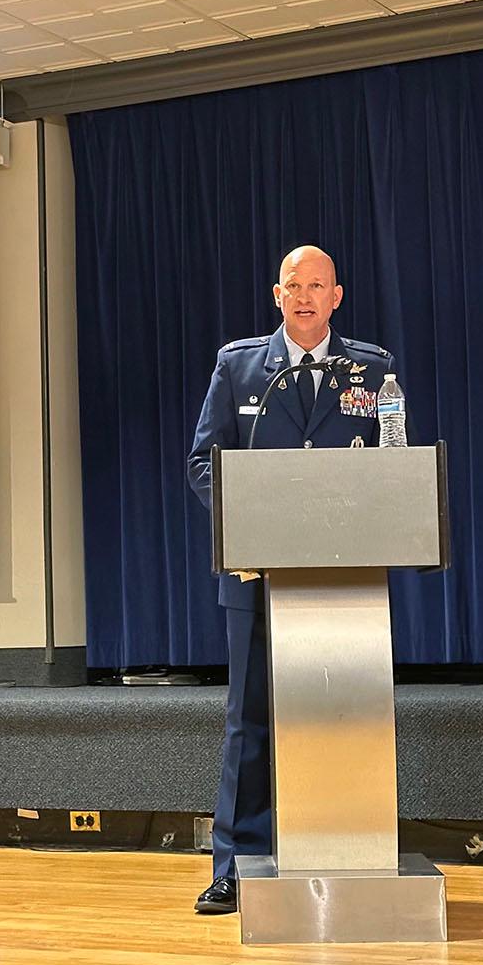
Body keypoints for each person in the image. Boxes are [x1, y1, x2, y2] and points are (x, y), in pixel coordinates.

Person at [185, 245, 393, 915]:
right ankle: (234, 868)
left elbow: (393, 464)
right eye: (293, 286)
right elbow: (203, 463)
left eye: (317, 286)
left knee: (345, 715)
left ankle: (349, 850)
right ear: (277, 295)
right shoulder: (239, 365)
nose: (305, 297)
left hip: (345, 583)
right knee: (248, 724)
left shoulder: (373, 368)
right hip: (255, 579)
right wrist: (250, 525)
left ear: (338, 296)